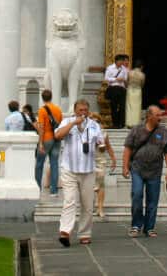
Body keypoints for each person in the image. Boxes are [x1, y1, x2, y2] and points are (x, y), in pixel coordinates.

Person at [54, 98, 107, 247]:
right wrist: (73, 123)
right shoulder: (67, 122)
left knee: (87, 204)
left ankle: (84, 233)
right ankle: (65, 232)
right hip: (69, 168)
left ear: (88, 111)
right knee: (69, 200)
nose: (82, 113)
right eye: (80, 111)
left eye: (85, 111)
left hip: (88, 169)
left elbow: (102, 145)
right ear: (75, 111)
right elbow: (58, 136)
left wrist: (100, 146)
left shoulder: (94, 126)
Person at [122, 104, 167, 238]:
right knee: (137, 194)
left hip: (155, 170)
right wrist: (125, 166)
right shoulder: (136, 130)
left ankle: (149, 227)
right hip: (137, 168)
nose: (160, 118)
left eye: (160, 115)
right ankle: (136, 225)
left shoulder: (163, 132)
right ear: (149, 116)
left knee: (153, 200)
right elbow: (128, 148)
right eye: (157, 115)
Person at [35, 89, 63, 195]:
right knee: (54, 163)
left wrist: (40, 143)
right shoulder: (58, 109)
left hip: (46, 138)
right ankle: (54, 190)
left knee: (39, 164)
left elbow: (41, 127)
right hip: (56, 139)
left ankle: (38, 187)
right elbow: (60, 124)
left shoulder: (42, 110)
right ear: (51, 97)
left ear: (42, 98)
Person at [89, 113, 117, 218]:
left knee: (101, 183)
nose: (96, 124)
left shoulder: (104, 133)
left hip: (100, 160)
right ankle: (89, 206)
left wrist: (113, 158)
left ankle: (100, 207)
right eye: (93, 122)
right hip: (88, 161)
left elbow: (108, 147)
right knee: (89, 185)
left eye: (98, 122)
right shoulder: (85, 133)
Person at [104, 54, 129, 128]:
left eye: (122, 60)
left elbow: (125, 79)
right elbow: (106, 78)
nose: (122, 62)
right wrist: (116, 79)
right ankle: (115, 123)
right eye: (121, 60)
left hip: (122, 89)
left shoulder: (124, 69)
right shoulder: (110, 68)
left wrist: (124, 81)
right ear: (116, 61)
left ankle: (122, 123)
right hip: (113, 88)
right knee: (114, 106)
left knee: (122, 106)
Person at [125, 60, 146, 127]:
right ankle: (136, 123)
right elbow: (142, 84)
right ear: (141, 67)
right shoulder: (142, 75)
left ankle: (129, 123)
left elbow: (127, 82)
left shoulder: (129, 73)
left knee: (129, 106)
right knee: (137, 107)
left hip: (130, 89)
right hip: (138, 90)